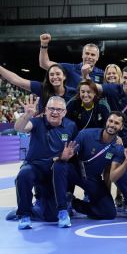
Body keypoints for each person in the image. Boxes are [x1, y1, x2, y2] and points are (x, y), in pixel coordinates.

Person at [51, 112, 127, 227]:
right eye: (110, 121)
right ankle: (62, 210)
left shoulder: (118, 148)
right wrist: (64, 156)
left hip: (93, 178)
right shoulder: (86, 134)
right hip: (76, 172)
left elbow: (113, 177)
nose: (112, 125)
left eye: (116, 123)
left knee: (109, 212)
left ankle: (73, 203)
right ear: (106, 122)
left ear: (121, 127)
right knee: (59, 165)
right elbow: (70, 151)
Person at [14, 96, 77, 229]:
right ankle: (24, 215)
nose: (54, 112)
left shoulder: (71, 126)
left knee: (50, 217)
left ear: (64, 112)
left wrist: (67, 156)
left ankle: (59, 206)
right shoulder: (36, 122)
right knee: (23, 174)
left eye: (58, 109)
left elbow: (73, 149)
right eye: (51, 109)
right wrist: (27, 115)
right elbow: (19, 128)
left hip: (54, 171)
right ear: (46, 110)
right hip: (35, 167)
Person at [91, 65, 127, 147]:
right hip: (112, 133)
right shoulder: (112, 89)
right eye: (125, 78)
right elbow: (93, 87)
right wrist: (85, 75)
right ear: (121, 77)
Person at [0, 64, 77, 113]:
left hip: (67, 131)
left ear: (64, 76)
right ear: (48, 77)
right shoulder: (42, 88)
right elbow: (17, 80)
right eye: (51, 74)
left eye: (58, 74)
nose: (55, 77)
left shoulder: (73, 93)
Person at [39, 33, 104, 88]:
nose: (89, 57)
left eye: (93, 55)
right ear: (82, 55)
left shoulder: (102, 74)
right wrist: (44, 44)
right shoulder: (70, 68)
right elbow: (44, 63)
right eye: (87, 54)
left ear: (97, 58)